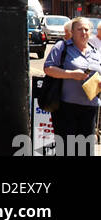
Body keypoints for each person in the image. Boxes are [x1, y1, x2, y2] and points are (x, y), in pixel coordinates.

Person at [43, 16, 101, 150]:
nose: (84, 32)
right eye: (79, 29)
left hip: (90, 108)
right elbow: (48, 68)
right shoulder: (62, 47)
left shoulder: (95, 52)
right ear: (72, 32)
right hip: (66, 107)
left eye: (86, 29)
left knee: (85, 150)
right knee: (67, 149)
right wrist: (71, 74)